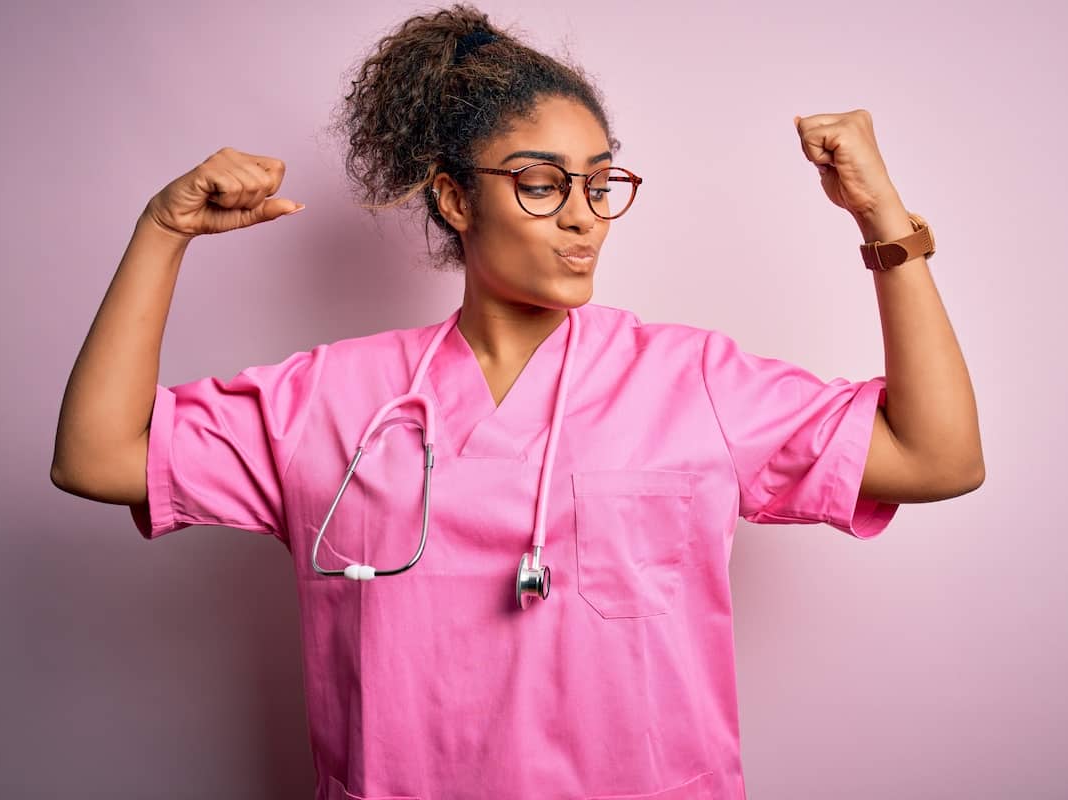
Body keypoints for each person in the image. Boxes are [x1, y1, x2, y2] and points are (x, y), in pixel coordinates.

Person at [50, 4, 984, 798]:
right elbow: (97, 458)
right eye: (541, 183)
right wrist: (163, 232)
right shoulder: (335, 399)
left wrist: (883, 221)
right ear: (456, 201)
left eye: (600, 181)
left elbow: (938, 458)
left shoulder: (692, 382)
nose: (582, 214)